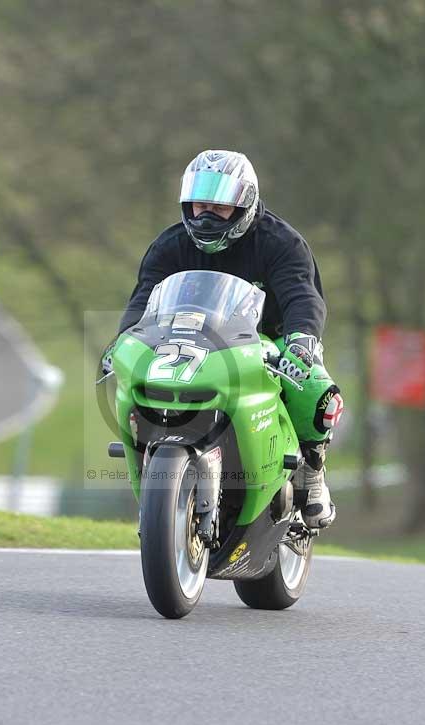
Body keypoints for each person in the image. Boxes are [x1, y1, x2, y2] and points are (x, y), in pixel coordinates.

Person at [102, 150, 344, 529]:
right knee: (134, 378)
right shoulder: (170, 246)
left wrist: (302, 341)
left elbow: (302, 297)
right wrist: (122, 340)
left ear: (244, 204)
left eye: (220, 207)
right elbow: (143, 298)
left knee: (316, 390)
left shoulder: (281, 243)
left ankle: (311, 471)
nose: (207, 216)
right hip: (188, 339)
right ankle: (154, 469)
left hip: (268, 343)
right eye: (200, 205)